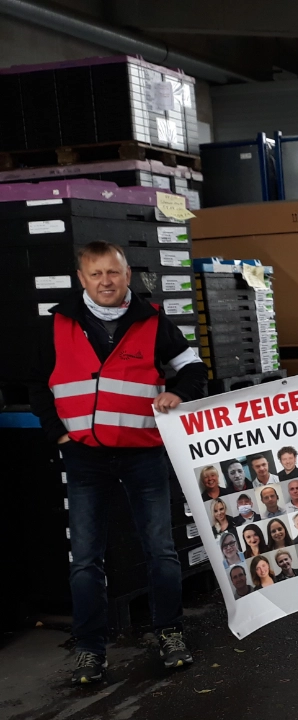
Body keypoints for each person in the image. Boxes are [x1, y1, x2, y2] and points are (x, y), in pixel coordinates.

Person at [30, 241, 203, 682]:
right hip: (85, 456)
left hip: (142, 454)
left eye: (113, 272)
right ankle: (91, 649)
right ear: (81, 279)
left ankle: (170, 634)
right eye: (95, 274)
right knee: (86, 559)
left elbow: (193, 367)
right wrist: (59, 434)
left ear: (128, 276)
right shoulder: (58, 324)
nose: (105, 282)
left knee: (161, 553)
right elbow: (36, 385)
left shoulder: (153, 321)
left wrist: (178, 392)